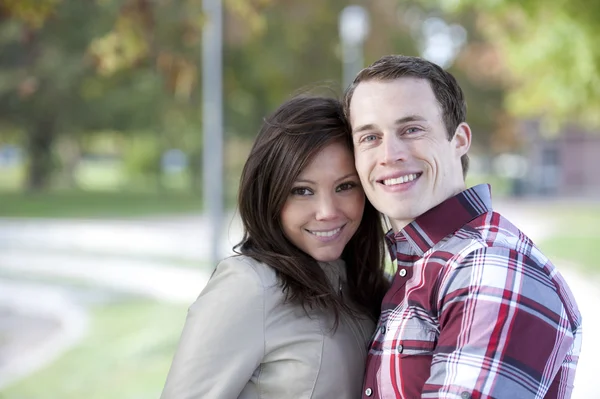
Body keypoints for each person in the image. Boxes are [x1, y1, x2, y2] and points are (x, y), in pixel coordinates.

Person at [342, 55, 583, 399]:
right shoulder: (422, 265)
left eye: (411, 129)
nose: (389, 154)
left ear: (459, 140)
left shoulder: (490, 265)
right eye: (369, 137)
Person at [160, 95, 390, 399]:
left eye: (345, 186)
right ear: (270, 195)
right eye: (302, 191)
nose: (327, 211)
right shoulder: (249, 287)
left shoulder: (367, 286)